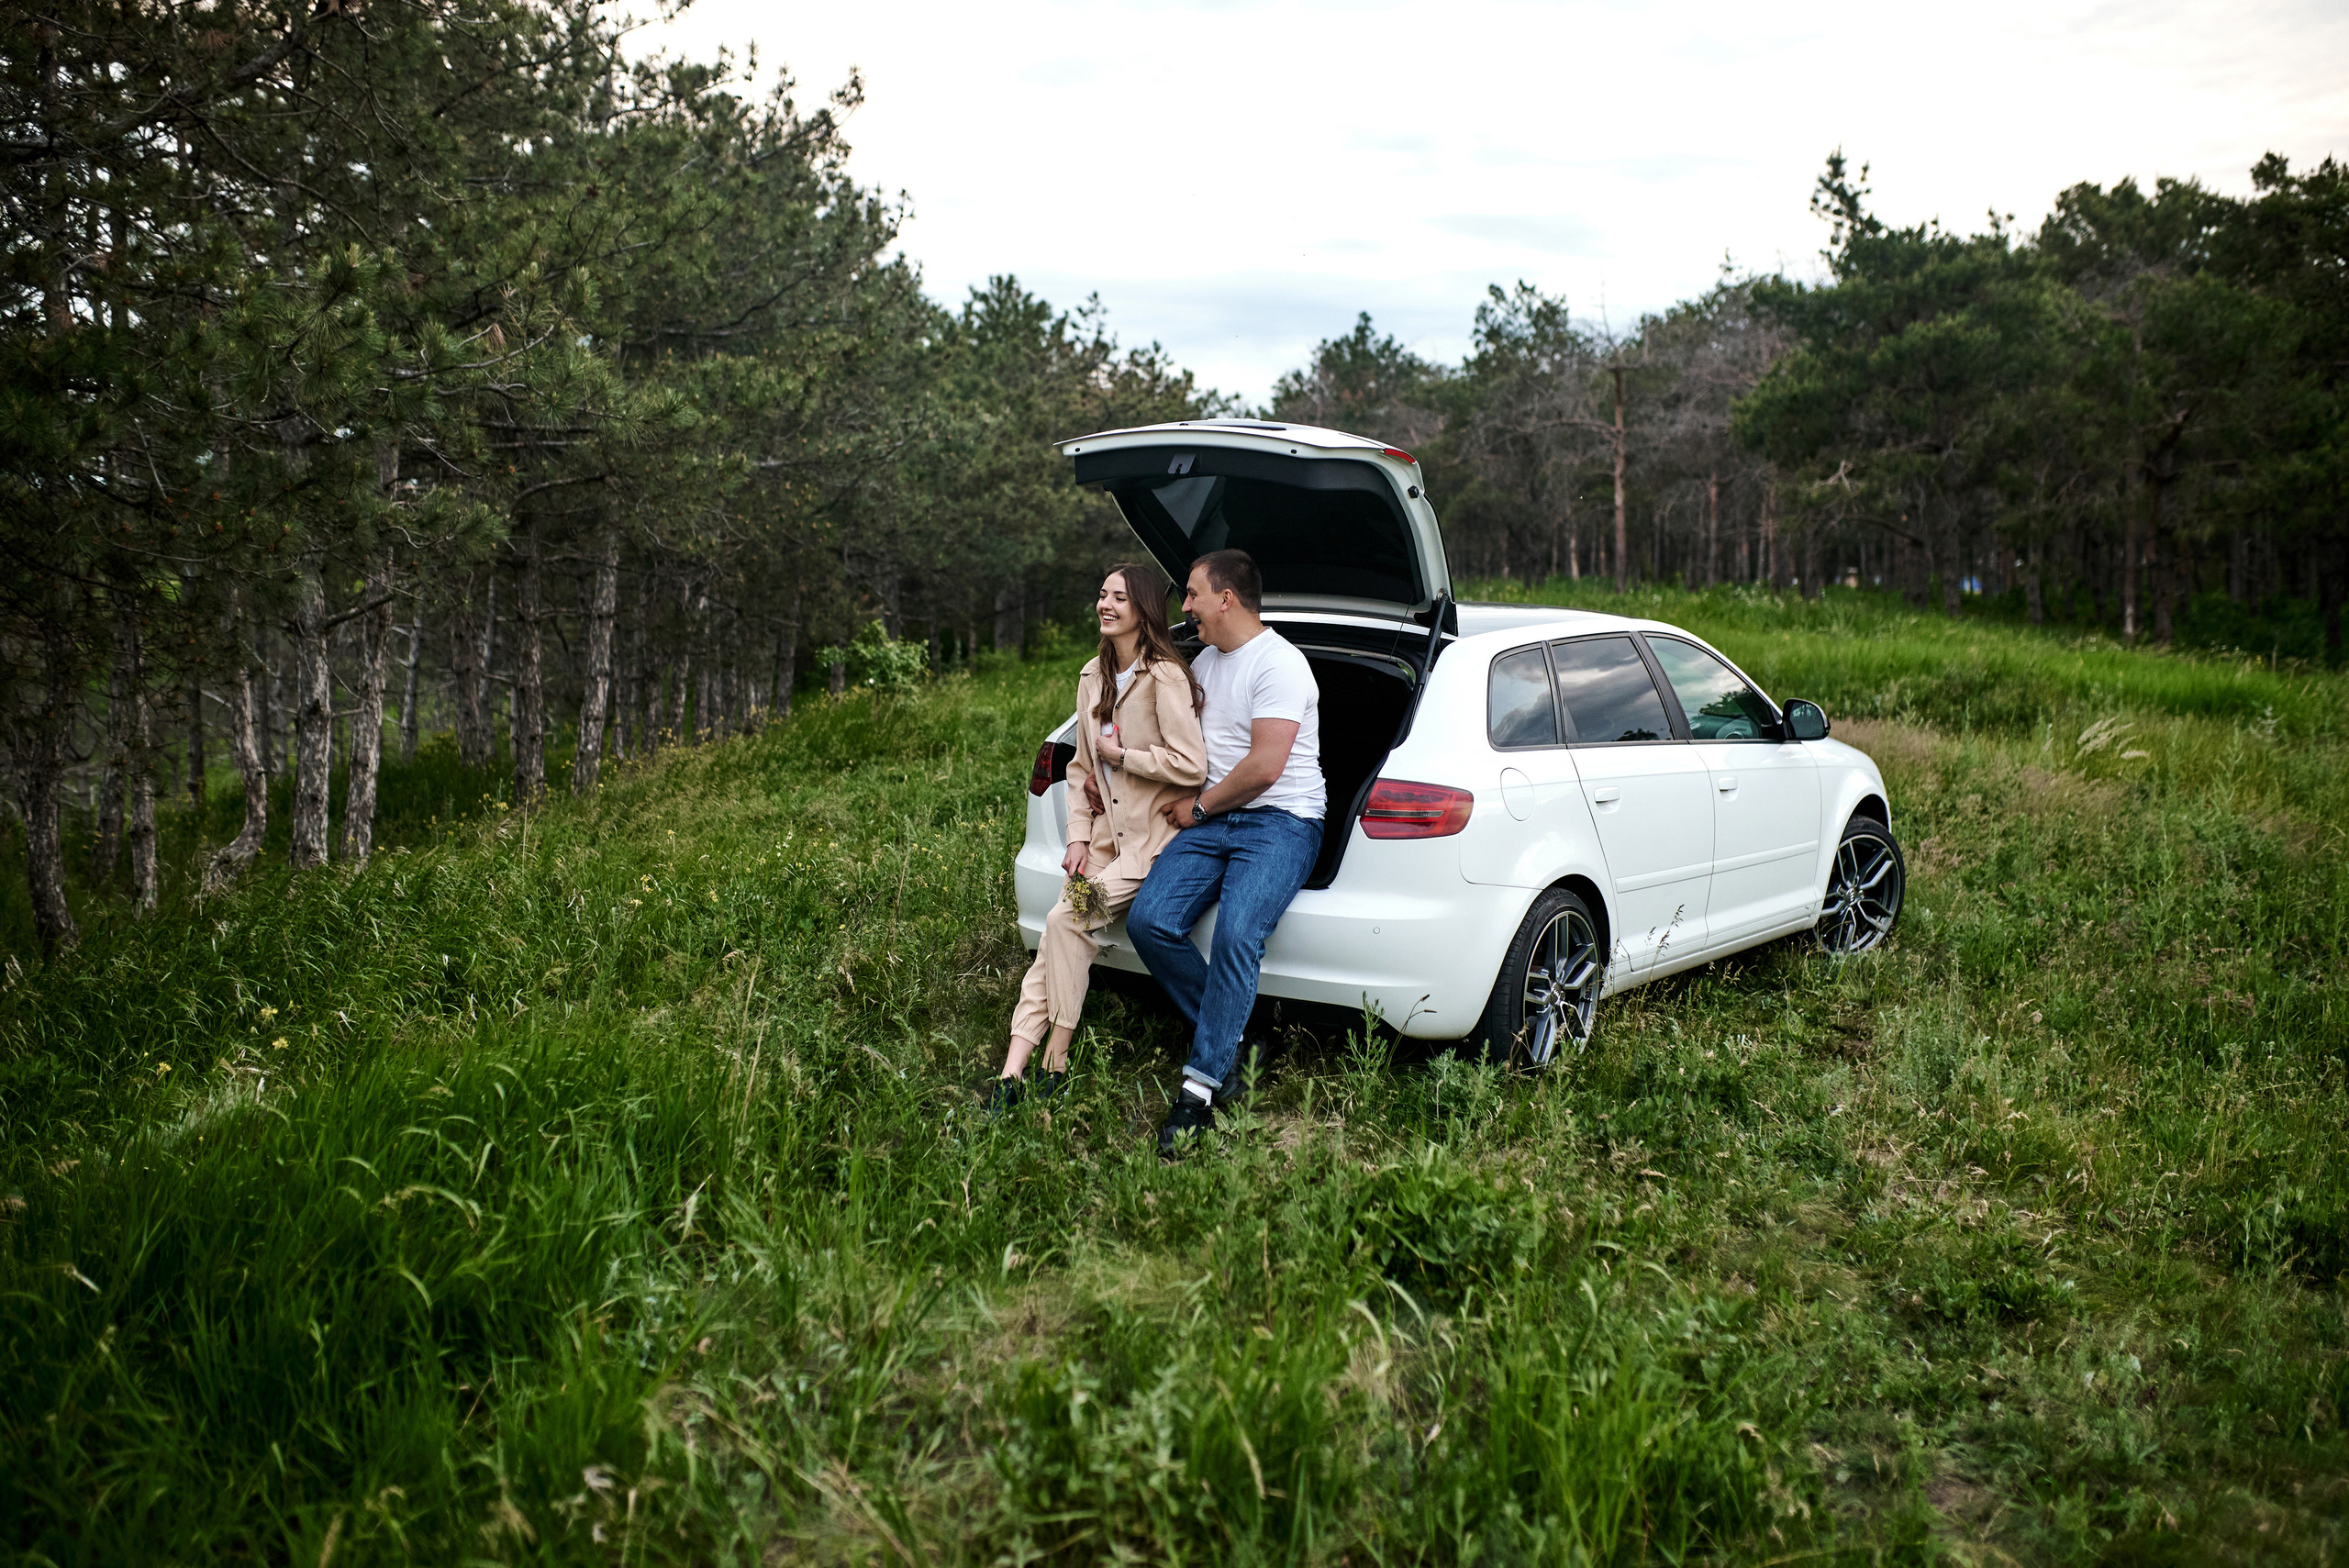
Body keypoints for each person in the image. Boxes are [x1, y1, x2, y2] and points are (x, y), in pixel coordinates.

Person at [1127, 549, 1324, 1158]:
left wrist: (1200, 808)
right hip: (1213, 816)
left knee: (1239, 932)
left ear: (1227, 598)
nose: (1184, 606)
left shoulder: (1280, 665)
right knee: (1149, 920)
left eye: (1191, 594)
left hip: (1281, 820)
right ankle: (1243, 1033)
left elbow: (1265, 768)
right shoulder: (1204, 661)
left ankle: (1200, 1089)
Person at [989, 562, 1206, 1114]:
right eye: (1101, 596)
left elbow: (1190, 764)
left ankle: (1055, 1060)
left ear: (1143, 611)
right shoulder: (1092, 674)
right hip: (1103, 841)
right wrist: (1077, 840)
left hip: (1149, 845)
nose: (1104, 606)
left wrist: (1124, 757)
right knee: (1060, 942)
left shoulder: (1165, 677)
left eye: (1118, 599)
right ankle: (1012, 1072)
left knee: (1065, 921)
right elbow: (1080, 769)